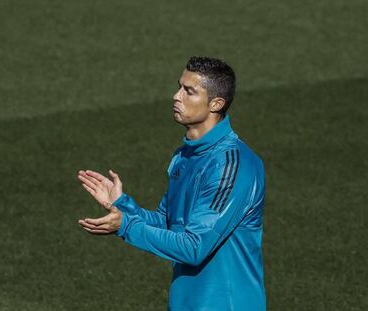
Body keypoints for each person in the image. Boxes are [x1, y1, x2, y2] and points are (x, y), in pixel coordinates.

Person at [77, 56, 266, 311]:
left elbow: (194, 247)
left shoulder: (233, 165)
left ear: (216, 104)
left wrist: (126, 226)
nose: (176, 96)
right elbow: (170, 224)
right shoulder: (183, 157)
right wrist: (123, 206)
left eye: (189, 91)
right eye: (179, 87)